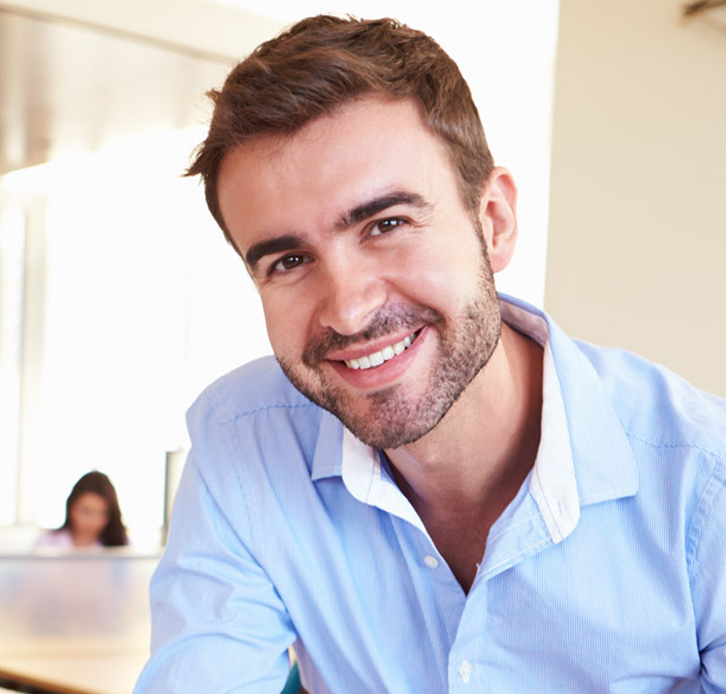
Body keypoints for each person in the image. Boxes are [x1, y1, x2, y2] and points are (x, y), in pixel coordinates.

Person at [134, 15, 726, 694]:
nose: (348, 310)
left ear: (494, 222)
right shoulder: (243, 441)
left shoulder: (705, 485)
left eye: (386, 224)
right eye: (289, 261)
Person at [35, 470, 129, 548]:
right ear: (71, 507)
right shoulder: (46, 543)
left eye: (101, 513)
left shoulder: (122, 548)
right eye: (86, 511)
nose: (92, 521)